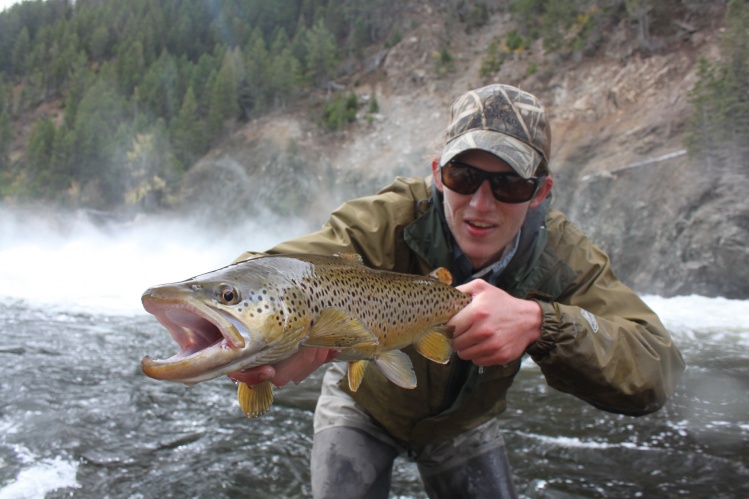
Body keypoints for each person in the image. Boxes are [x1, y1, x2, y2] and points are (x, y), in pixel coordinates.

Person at [229, 84, 685, 498]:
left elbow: (654, 369)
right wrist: (259, 332)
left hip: (464, 424)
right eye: (463, 177)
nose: (481, 204)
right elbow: (283, 272)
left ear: (541, 192)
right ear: (437, 173)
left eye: (510, 185)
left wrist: (540, 323)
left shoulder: (564, 258)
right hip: (364, 406)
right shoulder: (383, 221)